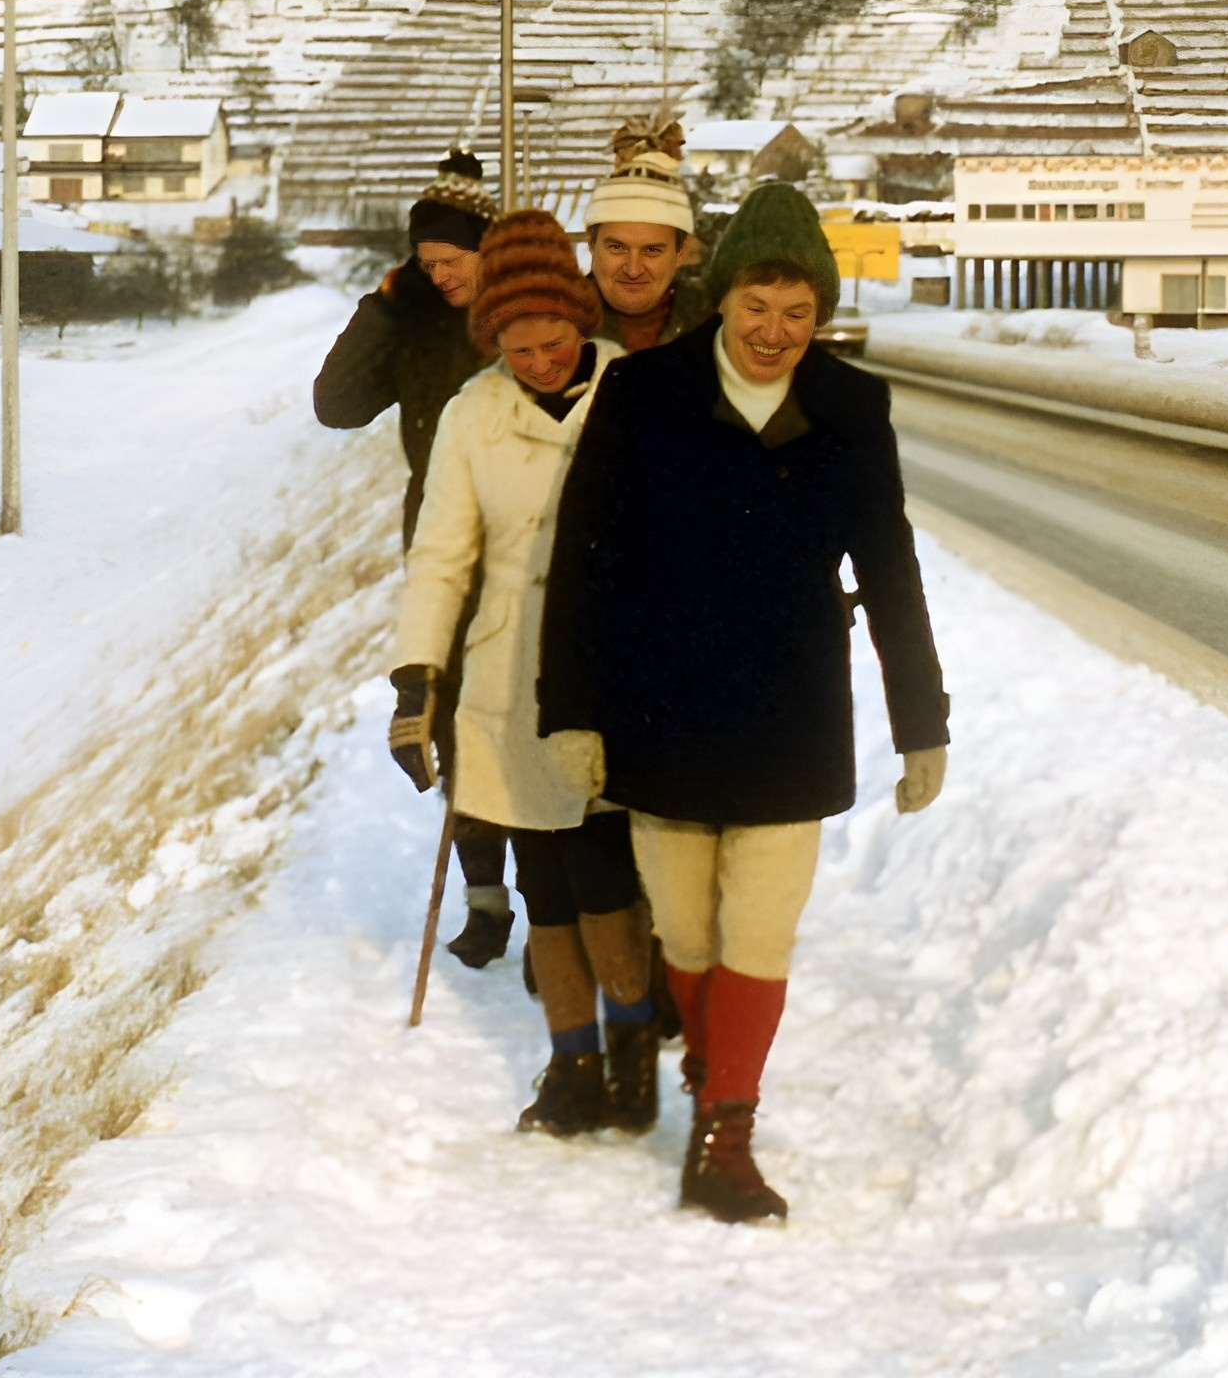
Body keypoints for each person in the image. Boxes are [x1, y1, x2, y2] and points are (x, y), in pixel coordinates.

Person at [536, 182, 951, 1224]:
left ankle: (726, 1136)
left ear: (822, 316)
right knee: (687, 936)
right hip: (660, 710)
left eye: (798, 311)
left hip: (789, 711)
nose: (775, 332)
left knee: (758, 936)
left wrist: (922, 722)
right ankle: (707, 1082)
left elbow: (891, 568)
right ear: (720, 299)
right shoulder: (643, 393)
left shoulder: (853, 408)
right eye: (758, 305)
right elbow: (579, 561)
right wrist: (569, 712)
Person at [387, 211, 665, 1134]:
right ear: (491, 340)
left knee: (606, 870)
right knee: (544, 878)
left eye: (554, 343)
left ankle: (632, 1060)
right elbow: (440, 558)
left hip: (615, 668)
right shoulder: (472, 414)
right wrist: (416, 681)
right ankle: (571, 1065)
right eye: (519, 349)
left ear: (580, 323)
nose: (541, 363)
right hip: (509, 677)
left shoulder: (638, 391)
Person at [315, 149, 520, 965]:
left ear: (487, 250)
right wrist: (386, 303)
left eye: (449, 260)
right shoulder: (412, 321)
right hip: (440, 549)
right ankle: (486, 900)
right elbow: (335, 405)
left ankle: (556, 909)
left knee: (532, 724)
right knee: (458, 717)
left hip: (529, 545)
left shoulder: (524, 319)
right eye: (424, 262)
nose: (439, 276)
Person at [583, 117, 702, 354]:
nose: (633, 269)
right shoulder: (554, 320)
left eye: (652, 250)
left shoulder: (709, 324)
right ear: (591, 245)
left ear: (681, 252)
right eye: (617, 248)